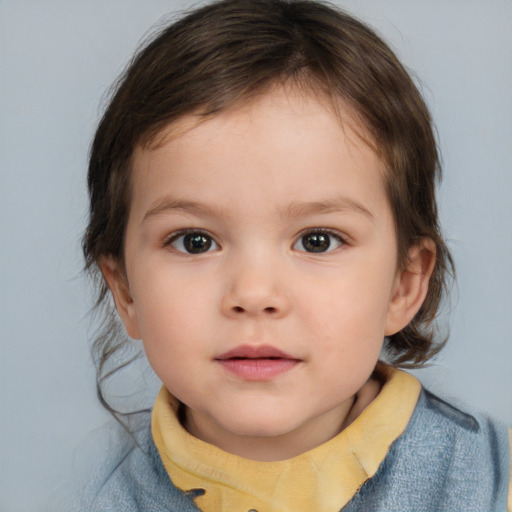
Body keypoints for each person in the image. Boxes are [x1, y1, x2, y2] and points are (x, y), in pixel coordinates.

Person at [78, 0, 511, 510]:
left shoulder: (489, 485)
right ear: (124, 288)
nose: (255, 294)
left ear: (404, 284)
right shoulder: (98, 497)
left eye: (317, 240)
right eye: (195, 241)